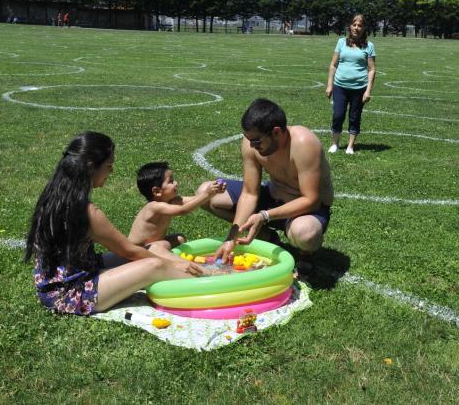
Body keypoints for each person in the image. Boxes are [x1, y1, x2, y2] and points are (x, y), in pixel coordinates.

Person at [24, 132, 205, 315]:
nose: (111, 171)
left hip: (73, 273)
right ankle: (207, 282)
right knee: (154, 266)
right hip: (71, 294)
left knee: (151, 249)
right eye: (109, 165)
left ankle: (189, 272)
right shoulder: (87, 212)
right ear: (90, 167)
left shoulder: (55, 196)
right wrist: (171, 264)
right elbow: (129, 250)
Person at [199, 99, 334, 273]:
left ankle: (305, 254)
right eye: (248, 140)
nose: (252, 146)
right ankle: (268, 237)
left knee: (305, 233)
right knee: (206, 193)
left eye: (256, 142)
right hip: (272, 197)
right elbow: (249, 193)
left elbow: (311, 200)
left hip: (305, 210)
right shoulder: (251, 144)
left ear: (276, 132)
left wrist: (264, 216)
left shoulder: (303, 142)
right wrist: (231, 238)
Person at [128, 162, 226, 250]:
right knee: (163, 245)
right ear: (157, 191)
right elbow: (182, 210)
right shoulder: (154, 207)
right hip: (137, 250)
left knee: (180, 239)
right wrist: (207, 194)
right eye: (170, 181)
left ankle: (165, 255)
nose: (176, 183)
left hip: (154, 245)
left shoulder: (172, 201)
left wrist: (214, 192)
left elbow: (195, 200)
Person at [325, 14, 376, 155]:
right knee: (338, 115)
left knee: (355, 117)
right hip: (340, 86)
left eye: (360, 25)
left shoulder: (369, 46)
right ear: (350, 26)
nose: (357, 28)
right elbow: (333, 65)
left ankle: (350, 146)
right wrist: (329, 85)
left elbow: (371, 70)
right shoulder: (341, 42)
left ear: (364, 28)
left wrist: (368, 91)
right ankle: (335, 144)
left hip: (359, 88)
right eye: (354, 25)